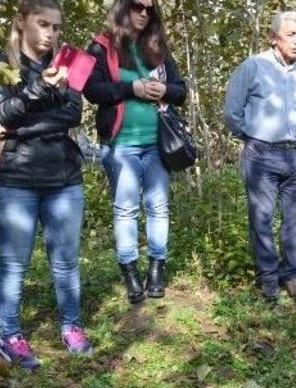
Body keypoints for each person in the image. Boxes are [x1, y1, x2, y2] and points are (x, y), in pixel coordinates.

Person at [0, 0, 92, 370]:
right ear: (22, 22)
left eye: (57, 26)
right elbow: (3, 112)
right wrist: (39, 90)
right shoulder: (0, 63)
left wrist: (22, 123)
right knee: (14, 263)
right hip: (17, 178)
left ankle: (71, 326)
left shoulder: (70, 62)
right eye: (43, 23)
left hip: (64, 176)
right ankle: (10, 335)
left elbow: (73, 113)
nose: (51, 33)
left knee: (65, 262)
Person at [83, 0, 187, 304]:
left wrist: (164, 91)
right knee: (126, 208)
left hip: (158, 143)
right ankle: (130, 272)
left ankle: (156, 268)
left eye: (149, 9)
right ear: (123, 8)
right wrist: (132, 89)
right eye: (137, 7)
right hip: (120, 145)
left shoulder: (158, 47)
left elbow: (181, 91)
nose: (143, 13)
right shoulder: (101, 46)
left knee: (158, 206)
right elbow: (92, 90)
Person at [223, 11, 296, 303]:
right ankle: (268, 278)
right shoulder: (253, 66)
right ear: (274, 37)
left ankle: (294, 276)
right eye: (291, 34)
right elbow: (232, 111)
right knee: (261, 217)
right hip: (261, 154)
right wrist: (251, 137)